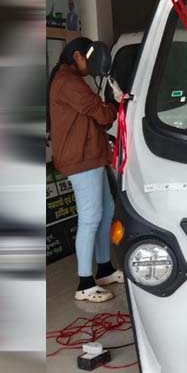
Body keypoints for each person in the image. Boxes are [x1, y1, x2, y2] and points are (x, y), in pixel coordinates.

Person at [48, 37, 125, 302]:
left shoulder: (70, 80)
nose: (90, 66)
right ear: (77, 56)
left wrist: (109, 106)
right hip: (81, 160)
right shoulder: (68, 82)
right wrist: (116, 105)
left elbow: (97, 116)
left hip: (92, 157)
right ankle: (84, 283)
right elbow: (100, 114)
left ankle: (104, 269)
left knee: (105, 213)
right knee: (91, 218)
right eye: (87, 60)